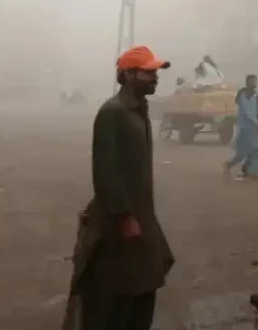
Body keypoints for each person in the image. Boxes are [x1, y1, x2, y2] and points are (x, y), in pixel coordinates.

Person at [62, 46, 175, 330]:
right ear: (127, 75)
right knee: (116, 296)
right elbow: (105, 171)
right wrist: (125, 216)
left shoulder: (138, 109)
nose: (154, 78)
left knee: (145, 286)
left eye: (154, 72)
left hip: (142, 216)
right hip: (120, 222)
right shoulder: (112, 112)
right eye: (147, 72)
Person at [224, 75, 258, 179]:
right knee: (244, 151)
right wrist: (255, 121)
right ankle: (230, 165)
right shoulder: (243, 94)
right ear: (248, 82)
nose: (255, 83)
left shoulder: (253, 94)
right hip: (245, 127)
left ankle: (252, 171)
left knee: (254, 149)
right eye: (253, 81)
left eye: (255, 81)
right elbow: (246, 110)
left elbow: (254, 109)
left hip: (252, 126)